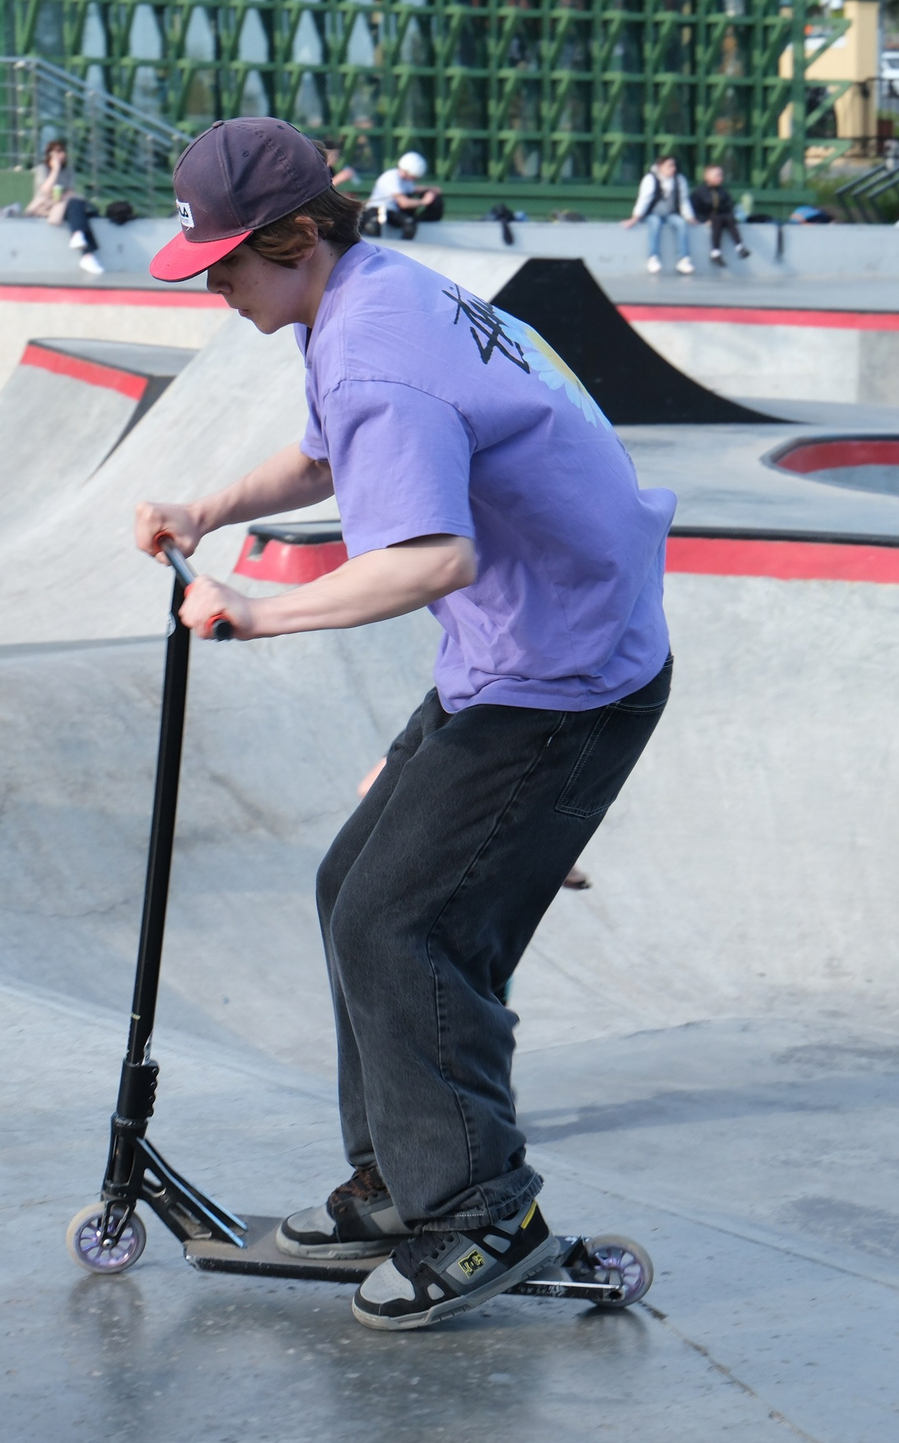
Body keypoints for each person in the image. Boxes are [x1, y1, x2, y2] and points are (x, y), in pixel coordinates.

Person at [136, 117, 673, 1331]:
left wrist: (261, 615)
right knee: (349, 889)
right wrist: (207, 505)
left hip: (564, 682)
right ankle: (399, 1177)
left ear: (297, 239)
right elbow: (330, 462)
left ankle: (481, 1207)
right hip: (525, 656)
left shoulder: (374, 351)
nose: (213, 285)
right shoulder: (370, 299)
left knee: (401, 925)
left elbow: (431, 555)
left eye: (227, 262)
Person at [27, 138, 105, 276]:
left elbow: (71, 190)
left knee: (76, 204)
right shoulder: (42, 169)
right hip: (46, 205)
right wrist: (55, 170)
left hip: (63, 204)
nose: (61, 154)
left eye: (62, 151)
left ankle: (82, 245)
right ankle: (86, 254)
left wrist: (64, 195)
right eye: (57, 151)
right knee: (76, 208)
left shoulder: (68, 170)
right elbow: (45, 189)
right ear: (50, 154)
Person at [625, 154, 694, 274]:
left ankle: (683, 259)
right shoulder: (650, 179)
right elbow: (644, 199)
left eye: (674, 166)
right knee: (655, 224)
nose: (673, 169)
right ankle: (653, 258)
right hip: (652, 214)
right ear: (660, 167)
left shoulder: (679, 180)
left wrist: (690, 217)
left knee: (681, 223)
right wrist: (635, 217)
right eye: (669, 166)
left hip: (670, 213)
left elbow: (683, 200)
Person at [366, 151, 442, 239]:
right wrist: (424, 201)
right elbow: (404, 203)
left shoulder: (404, 180)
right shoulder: (391, 177)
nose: (414, 179)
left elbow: (414, 188)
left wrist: (431, 189)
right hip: (376, 209)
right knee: (373, 226)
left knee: (409, 223)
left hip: (391, 211)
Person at [688, 162, 749, 265]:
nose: (720, 178)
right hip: (707, 217)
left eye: (721, 175)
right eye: (717, 175)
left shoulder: (723, 191)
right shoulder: (699, 192)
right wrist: (702, 219)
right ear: (707, 176)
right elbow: (695, 209)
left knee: (728, 218)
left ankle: (739, 247)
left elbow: (728, 205)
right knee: (716, 219)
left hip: (721, 217)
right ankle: (715, 252)